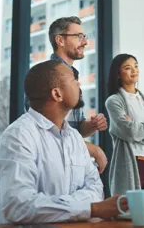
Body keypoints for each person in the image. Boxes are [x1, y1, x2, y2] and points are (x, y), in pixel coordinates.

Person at [0, 61, 127, 225]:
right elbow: (18, 206)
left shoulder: (74, 137)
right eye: (72, 80)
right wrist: (92, 209)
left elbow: (96, 188)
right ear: (57, 94)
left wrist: (63, 207)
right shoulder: (18, 136)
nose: (78, 83)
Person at [27, 16, 108, 173]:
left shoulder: (74, 77)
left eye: (84, 37)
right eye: (79, 37)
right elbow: (46, 131)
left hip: (71, 162)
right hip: (52, 166)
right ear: (60, 40)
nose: (85, 42)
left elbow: (77, 129)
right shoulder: (45, 76)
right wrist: (93, 149)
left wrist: (92, 126)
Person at [105, 54, 144, 195]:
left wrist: (138, 130)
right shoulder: (114, 101)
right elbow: (131, 132)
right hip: (133, 163)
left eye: (136, 66)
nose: (134, 71)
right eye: (128, 68)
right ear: (118, 74)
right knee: (132, 210)